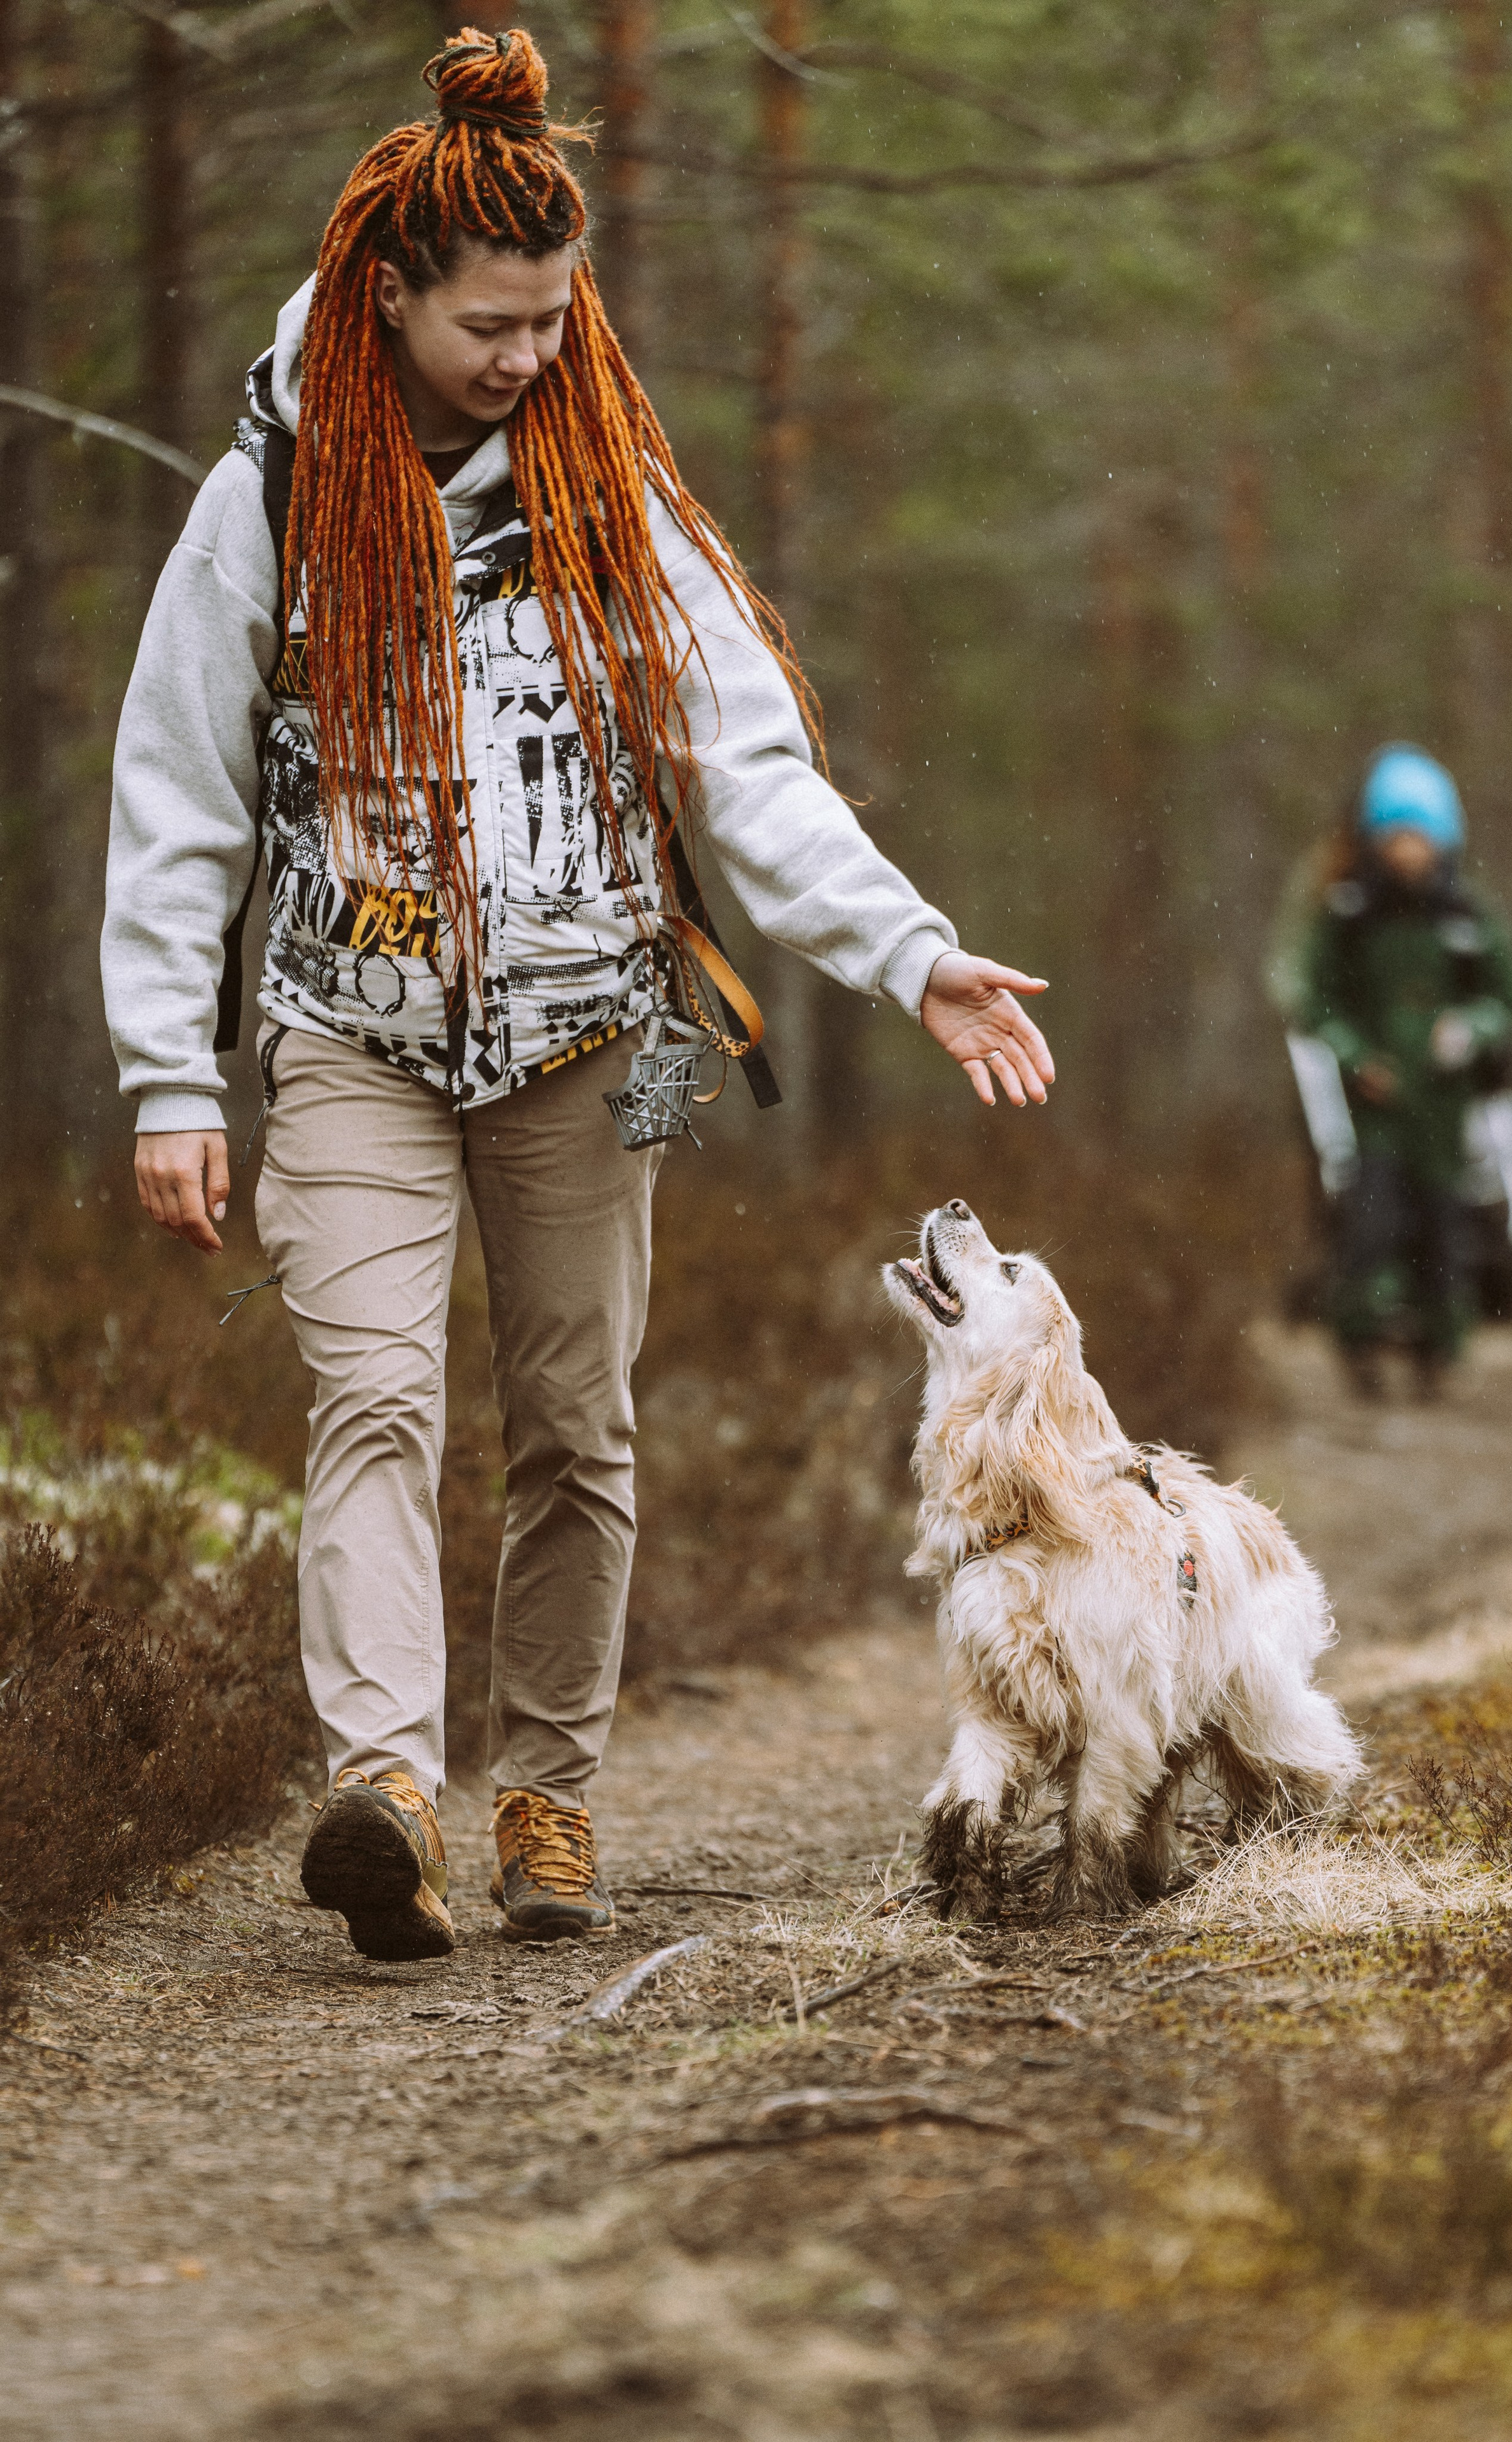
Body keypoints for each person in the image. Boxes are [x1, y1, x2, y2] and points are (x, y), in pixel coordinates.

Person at [101, 27, 1055, 1963]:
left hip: (582, 1026)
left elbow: (750, 770)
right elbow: (178, 788)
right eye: (491, 326)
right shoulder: (270, 496)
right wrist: (162, 1076)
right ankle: (383, 1784)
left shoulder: (614, 499)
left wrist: (906, 945)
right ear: (390, 297)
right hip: (346, 1022)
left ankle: (543, 1791)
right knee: (371, 1392)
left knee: (573, 1426)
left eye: (554, 319)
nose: (528, 357)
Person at [1286, 744, 1512, 1399]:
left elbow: (1507, 1001)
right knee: (1372, 1221)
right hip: (1374, 1111)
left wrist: (1469, 1031)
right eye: (1397, 835)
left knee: (1445, 1224)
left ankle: (1440, 1350)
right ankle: (1359, 1342)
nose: (1410, 850)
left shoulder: (1467, 919)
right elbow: (1313, 998)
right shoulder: (1349, 915)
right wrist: (1357, 1057)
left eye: (1422, 835)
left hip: (1446, 1110)